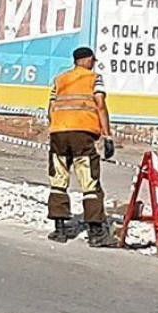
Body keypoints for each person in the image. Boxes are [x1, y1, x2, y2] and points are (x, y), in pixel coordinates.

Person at [47, 46, 115, 247]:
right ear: (87, 60)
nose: (93, 63)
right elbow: (100, 105)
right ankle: (96, 233)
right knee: (89, 179)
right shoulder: (94, 78)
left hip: (58, 133)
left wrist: (57, 126)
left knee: (58, 178)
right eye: (92, 60)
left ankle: (60, 230)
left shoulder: (60, 79)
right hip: (82, 133)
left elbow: (51, 108)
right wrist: (107, 136)